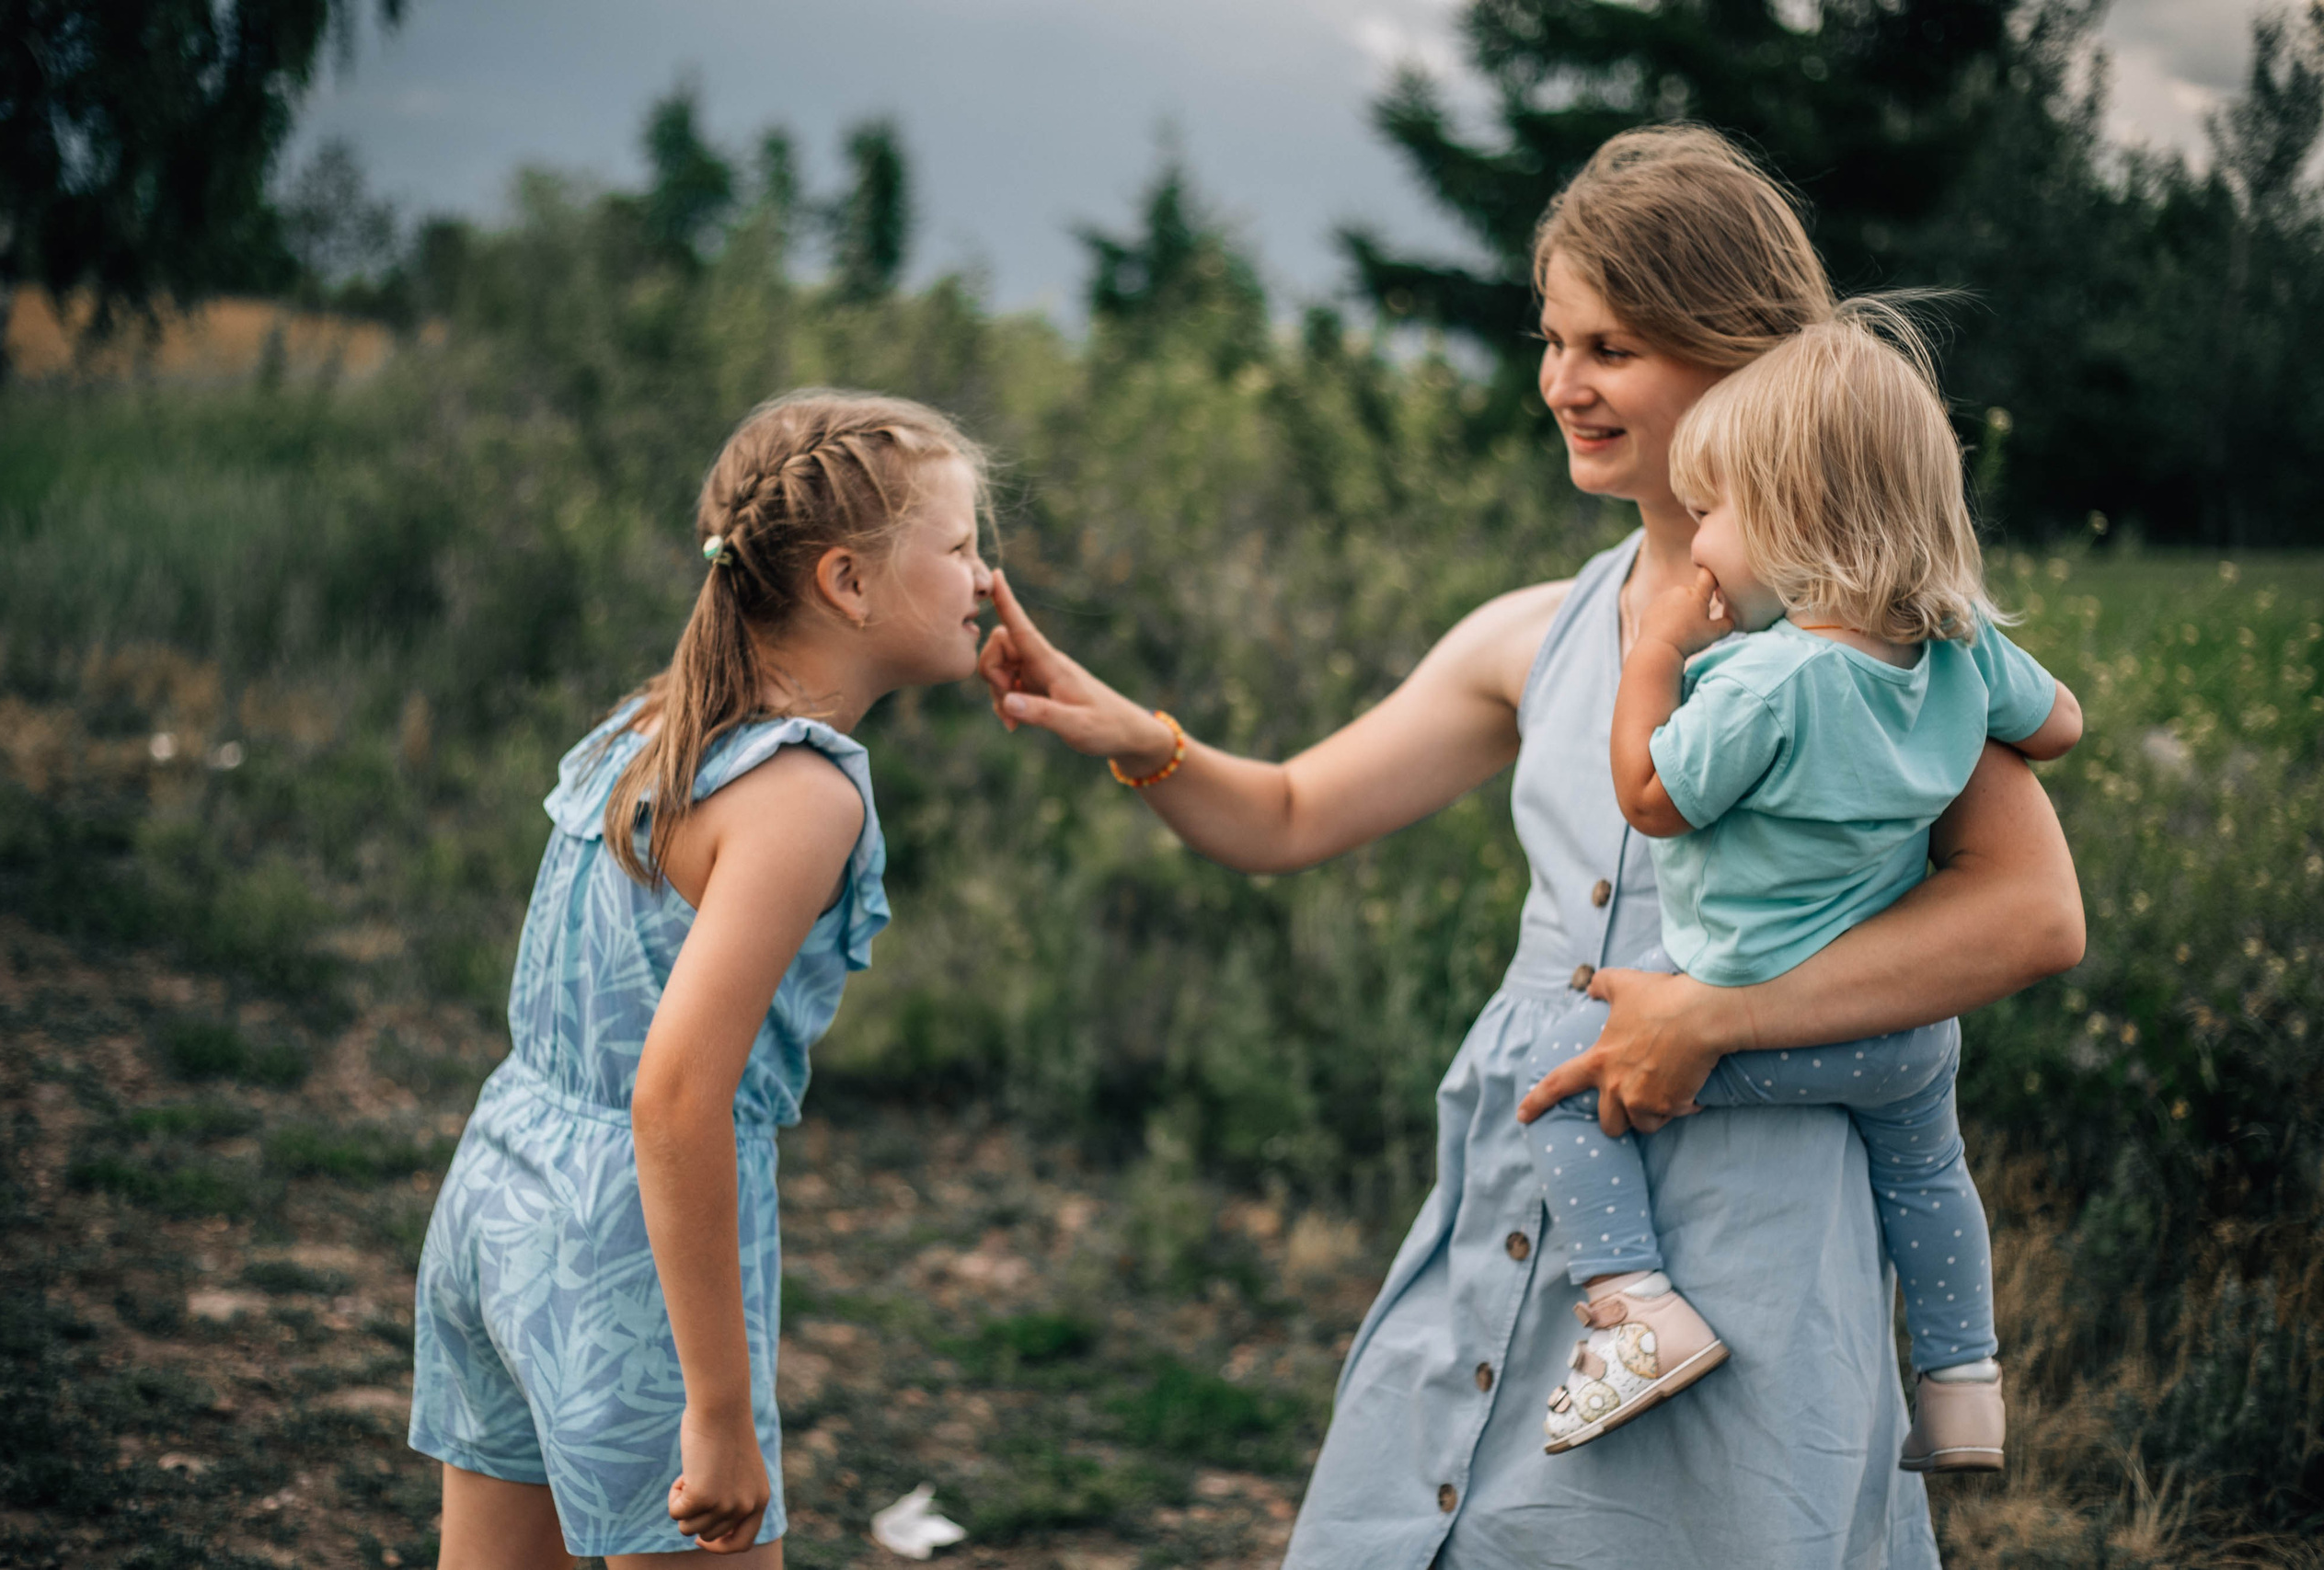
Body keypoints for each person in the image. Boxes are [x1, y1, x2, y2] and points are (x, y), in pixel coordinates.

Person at [978, 125, 2083, 1567]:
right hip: (1532, 1197)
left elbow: (2033, 914)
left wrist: (1722, 1016)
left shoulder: (1872, 643)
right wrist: (1139, 735)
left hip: (1749, 1218)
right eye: (1553, 338)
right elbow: (1295, 812)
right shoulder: (1535, 630)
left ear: (1743, 359)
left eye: (1612, 346)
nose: (1562, 382)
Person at [408, 391, 994, 1567]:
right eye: (967, 548)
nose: (989, 580)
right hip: (629, 1248)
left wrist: (980, 616)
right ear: (847, 584)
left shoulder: (658, 725)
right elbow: (676, 1096)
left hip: (500, 1198)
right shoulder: (802, 798)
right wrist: (721, 1413)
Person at [1525, 305, 2084, 1467]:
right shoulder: (1960, 646)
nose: (1702, 535)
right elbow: (2063, 725)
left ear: (1793, 517)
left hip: (1769, 1005)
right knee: (1930, 1175)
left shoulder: (1762, 684)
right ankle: (1963, 1385)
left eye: (1715, 510)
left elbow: (1648, 797)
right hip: (1905, 1031)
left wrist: (1654, 656)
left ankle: (1636, 1315)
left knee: (1564, 1086)